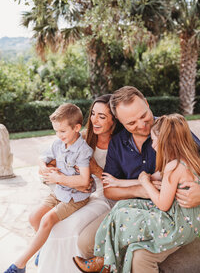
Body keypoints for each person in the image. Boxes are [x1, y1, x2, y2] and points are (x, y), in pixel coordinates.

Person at [75, 86, 200, 273]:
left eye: (144, 116)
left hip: (174, 213)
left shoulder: (170, 132)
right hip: (139, 206)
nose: (142, 125)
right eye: (132, 123)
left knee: (138, 255)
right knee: (86, 242)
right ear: (120, 121)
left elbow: (191, 166)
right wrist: (141, 189)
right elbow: (109, 189)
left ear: (148, 104)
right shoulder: (118, 142)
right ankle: (108, 262)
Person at [37, 94, 122, 273]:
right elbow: (54, 161)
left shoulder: (120, 143)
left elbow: (119, 181)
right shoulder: (84, 137)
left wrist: (95, 169)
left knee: (69, 227)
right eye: (93, 113)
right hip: (86, 194)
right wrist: (49, 170)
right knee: (50, 222)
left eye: (102, 116)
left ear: (114, 120)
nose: (95, 120)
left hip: (108, 197)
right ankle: (47, 259)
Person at [5, 103, 94, 273]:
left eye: (62, 131)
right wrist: (44, 167)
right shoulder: (58, 144)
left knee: (47, 220)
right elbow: (41, 158)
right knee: (33, 218)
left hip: (76, 197)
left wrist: (58, 178)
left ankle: (19, 265)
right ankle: (44, 248)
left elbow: (83, 181)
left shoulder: (83, 151)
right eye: (56, 131)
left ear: (76, 128)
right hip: (59, 191)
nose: (58, 135)